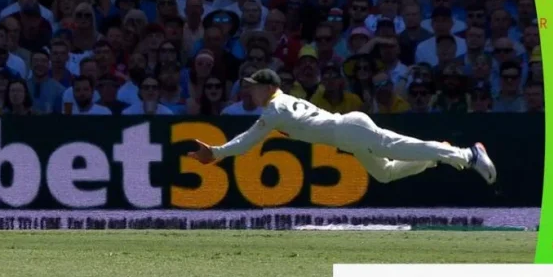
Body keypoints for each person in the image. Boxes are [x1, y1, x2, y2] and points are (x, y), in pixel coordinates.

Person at [187, 69, 497, 186]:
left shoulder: (275, 109)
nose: (250, 91)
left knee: (395, 146)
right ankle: (435, 156)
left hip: (349, 129)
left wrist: (215, 152)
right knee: (385, 173)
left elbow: (247, 141)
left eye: (254, 86)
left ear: (269, 88)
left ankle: (467, 154)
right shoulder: (283, 102)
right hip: (348, 133)